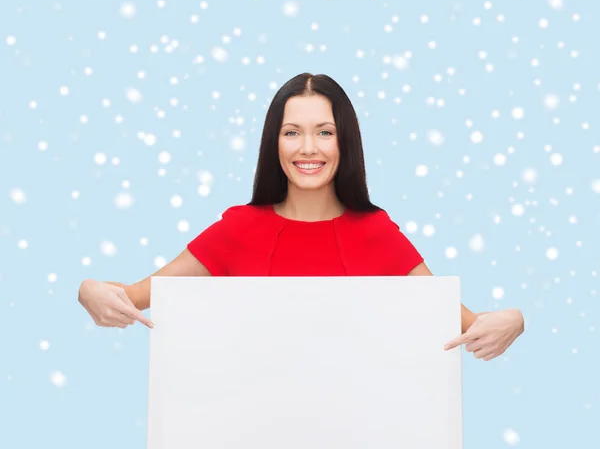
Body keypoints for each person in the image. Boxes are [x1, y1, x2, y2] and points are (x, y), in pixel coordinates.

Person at [78, 72, 524, 361]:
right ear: (275, 143)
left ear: (344, 143)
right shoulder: (238, 230)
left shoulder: (376, 234)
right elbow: (134, 295)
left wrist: (515, 321)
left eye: (324, 133)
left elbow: (467, 325)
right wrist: (88, 290)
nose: (308, 148)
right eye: (292, 132)